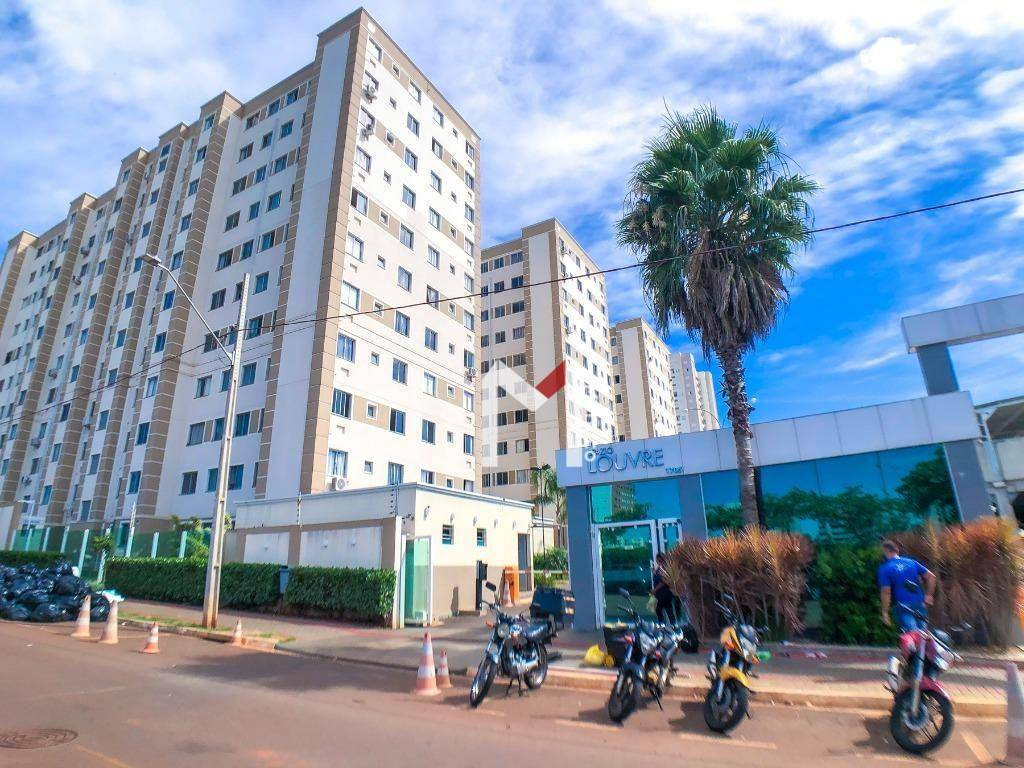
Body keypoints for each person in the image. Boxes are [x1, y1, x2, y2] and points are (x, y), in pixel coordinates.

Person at [878, 539, 936, 632]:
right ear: (897, 550)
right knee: (924, 634)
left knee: (911, 635)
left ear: (886, 551)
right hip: (920, 603)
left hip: (903, 606)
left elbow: (886, 591)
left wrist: (885, 612)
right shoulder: (912, 562)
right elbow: (931, 577)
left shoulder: (885, 568)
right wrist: (929, 595)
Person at [651, 553, 681, 624]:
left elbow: (664, 581)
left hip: (664, 593)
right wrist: (654, 572)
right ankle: (672, 624)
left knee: (659, 608)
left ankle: (663, 623)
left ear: (659, 560)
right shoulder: (660, 568)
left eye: (658, 560)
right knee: (667, 609)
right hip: (661, 593)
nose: (657, 561)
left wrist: (655, 590)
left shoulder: (664, 568)